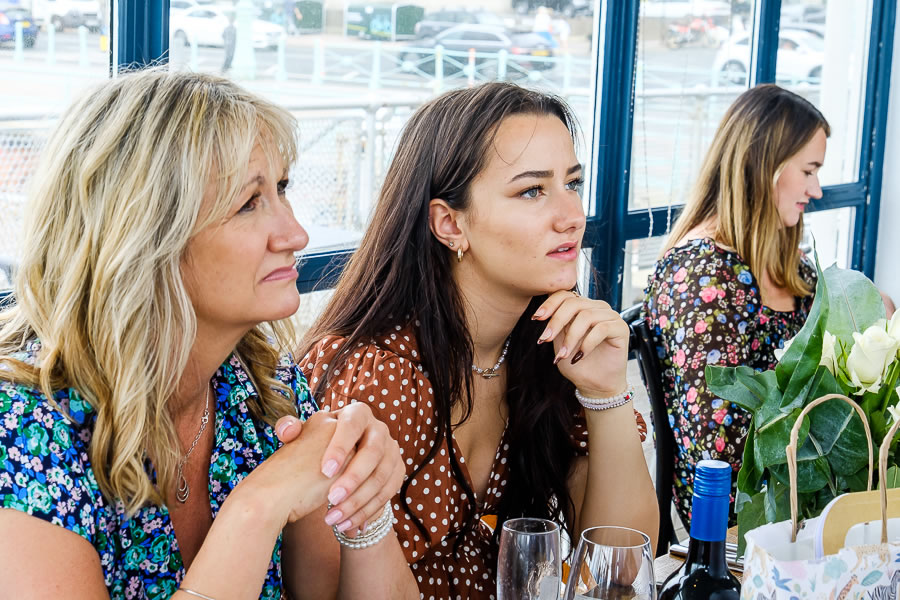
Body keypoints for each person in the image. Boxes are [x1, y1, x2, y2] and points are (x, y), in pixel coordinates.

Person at [0, 69, 417, 600]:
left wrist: (364, 504)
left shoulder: (264, 385)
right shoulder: (23, 427)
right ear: (146, 237)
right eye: (249, 203)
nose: (296, 234)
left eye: (281, 189)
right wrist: (256, 508)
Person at [300, 82, 658, 599]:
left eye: (572, 184)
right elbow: (321, 589)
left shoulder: (546, 350)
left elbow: (620, 566)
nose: (572, 216)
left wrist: (605, 392)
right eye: (532, 191)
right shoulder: (380, 376)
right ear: (450, 224)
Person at [643, 84, 829, 529]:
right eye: (808, 171)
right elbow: (718, 456)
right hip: (745, 524)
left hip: (805, 503)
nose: (817, 190)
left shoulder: (785, 261)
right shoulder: (703, 276)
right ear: (766, 166)